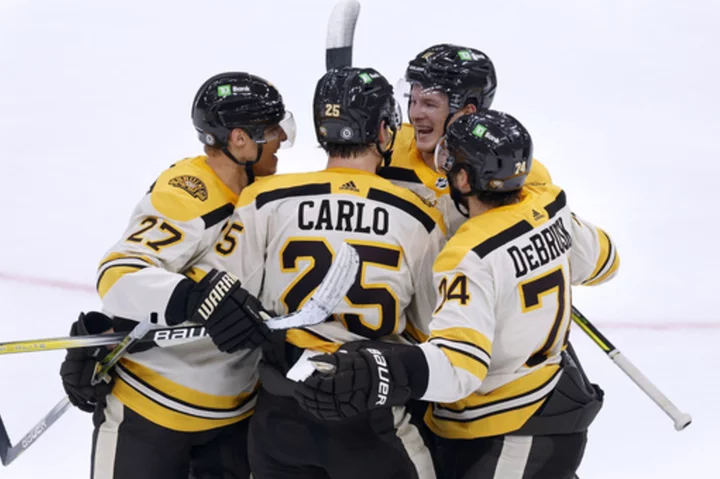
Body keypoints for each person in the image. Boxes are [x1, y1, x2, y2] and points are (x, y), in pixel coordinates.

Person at [296, 110, 618, 479]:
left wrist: (380, 368)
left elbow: (460, 369)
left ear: (464, 179)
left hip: (505, 427)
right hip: (554, 401)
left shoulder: (469, 256)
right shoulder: (550, 204)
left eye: (450, 165)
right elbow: (606, 262)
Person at [208, 66, 445, 479]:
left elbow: (222, 294)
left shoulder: (264, 198)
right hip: (370, 414)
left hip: (279, 420)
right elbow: (431, 329)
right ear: (385, 133)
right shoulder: (421, 217)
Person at [59, 71, 295, 478]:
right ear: (240, 140)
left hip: (234, 420)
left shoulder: (272, 193)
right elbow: (120, 275)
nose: (283, 140)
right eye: (273, 130)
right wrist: (193, 297)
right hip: (151, 415)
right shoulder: (188, 193)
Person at [381, 43, 553, 237]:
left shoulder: (515, 173)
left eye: (429, 104)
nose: (415, 114)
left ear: (467, 112)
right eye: (412, 101)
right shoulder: (385, 145)